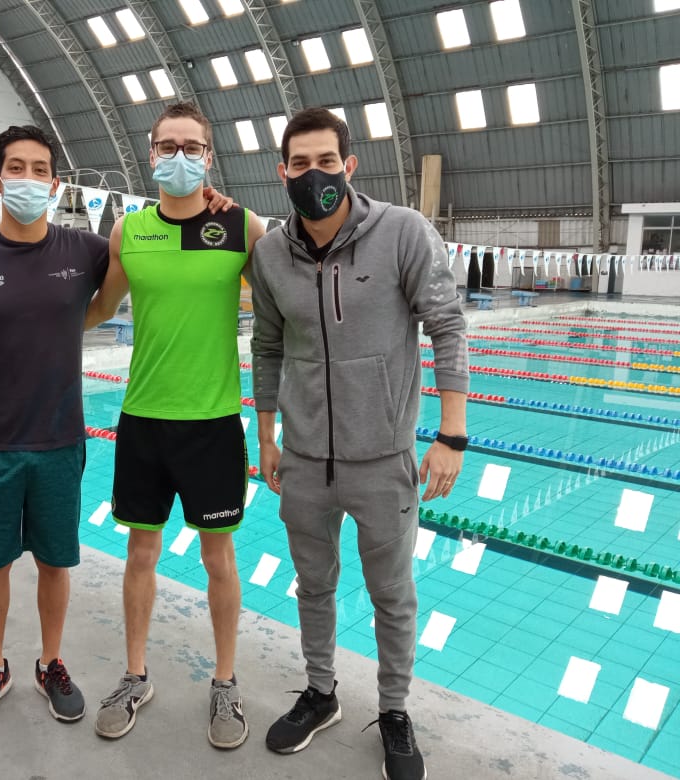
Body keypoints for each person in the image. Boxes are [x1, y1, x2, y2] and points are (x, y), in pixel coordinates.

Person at [0, 124, 235, 731]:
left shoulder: (86, 250)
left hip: (60, 438)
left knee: (55, 563)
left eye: (39, 169)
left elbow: (146, 257)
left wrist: (212, 203)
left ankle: (51, 663)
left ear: (55, 183)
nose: (27, 179)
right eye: (15, 168)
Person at [249, 107, 469, 780]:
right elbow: (267, 346)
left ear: (348, 166)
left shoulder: (402, 231)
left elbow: (447, 326)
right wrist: (266, 434)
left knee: (391, 595)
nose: (313, 174)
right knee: (313, 586)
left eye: (326, 161)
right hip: (305, 458)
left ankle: (394, 711)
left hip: (383, 459)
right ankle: (321, 693)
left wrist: (451, 435)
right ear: (282, 171)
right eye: (300, 163)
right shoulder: (269, 254)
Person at [86, 102, 267, 749]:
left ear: (209, 156)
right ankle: (135, 675)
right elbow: (97, 309)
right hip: (142, 418)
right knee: (141, 552)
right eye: (169, 146)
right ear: (151, 153)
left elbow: (289, 298)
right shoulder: (128, 232)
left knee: (219, 557)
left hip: (213, 421)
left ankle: (225, 681)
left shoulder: (243, 227)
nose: (180, 157)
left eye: (192, 147)